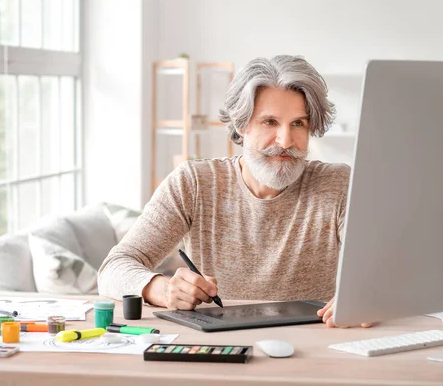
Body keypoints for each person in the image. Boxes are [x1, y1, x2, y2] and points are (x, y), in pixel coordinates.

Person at [97, 55, 369, 328]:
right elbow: (113, 269)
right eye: (270, 122)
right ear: (242, 125)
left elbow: (382, 272)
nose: (286, 141)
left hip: (315, 344)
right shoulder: (194, 182)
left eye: (298, 123)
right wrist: (163, 289)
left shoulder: (338, 183)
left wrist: (362, 295)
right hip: (220, 342)